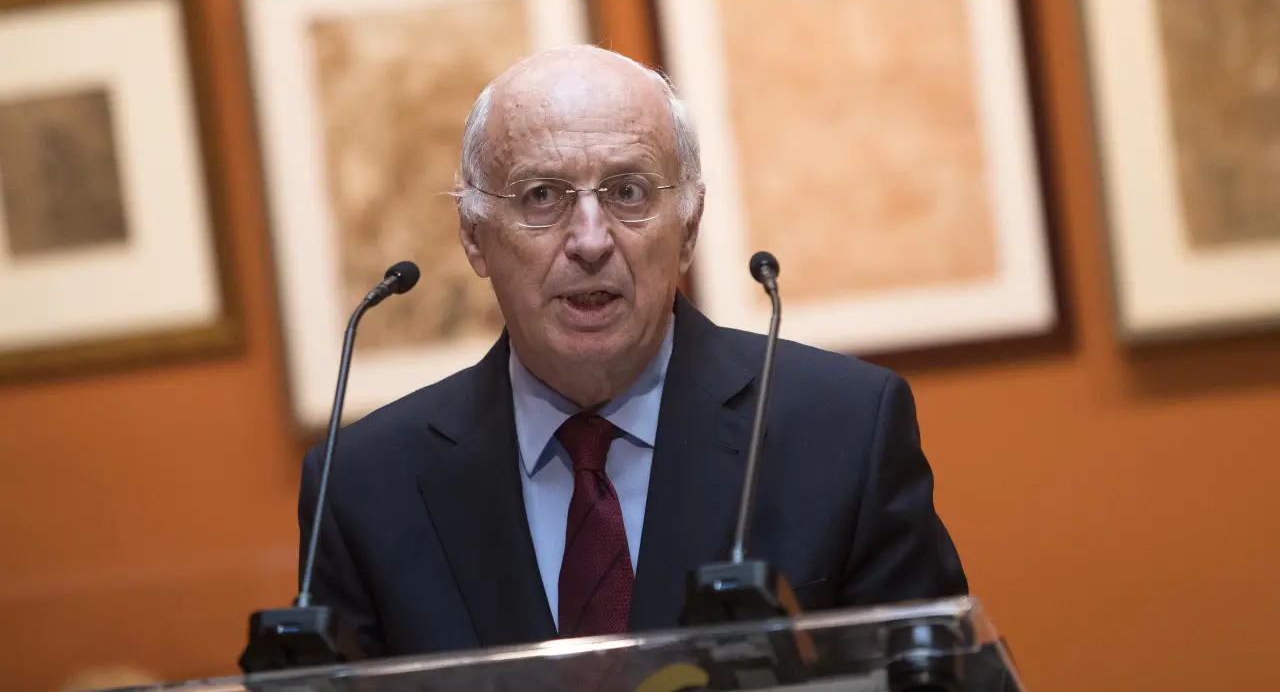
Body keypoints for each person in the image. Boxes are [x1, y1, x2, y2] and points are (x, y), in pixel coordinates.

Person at [299, 44, 966, 658]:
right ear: (475, 236)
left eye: (628, 192)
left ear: (688, 227)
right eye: (541, 196)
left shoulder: (844, 432)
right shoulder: (363, 487)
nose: (591, 241)